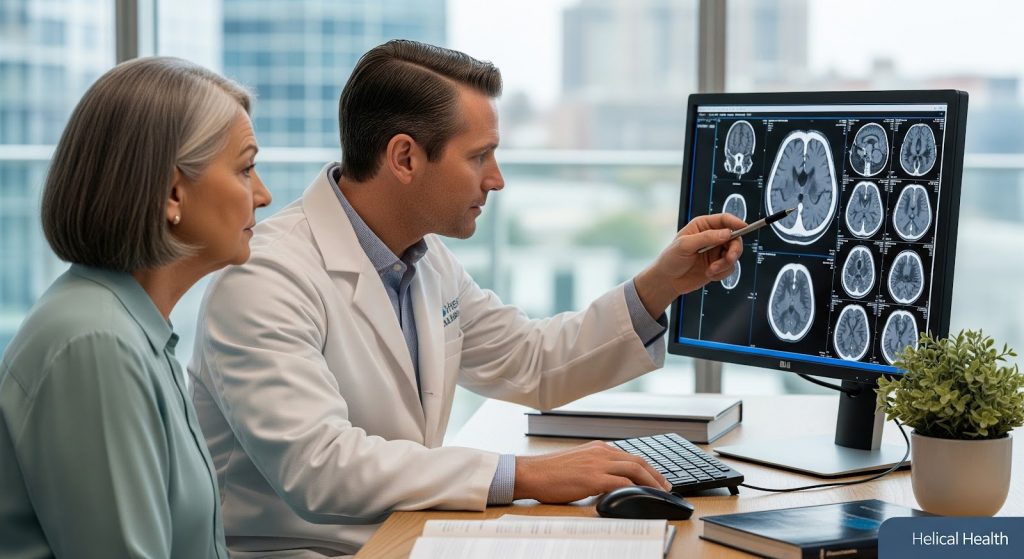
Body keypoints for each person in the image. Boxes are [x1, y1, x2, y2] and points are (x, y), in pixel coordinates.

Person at [189, 40, 743, 557]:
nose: (496, 180)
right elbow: (320, 468)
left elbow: (531, 360)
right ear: (404, 158)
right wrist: (521, 475)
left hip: (403, 535)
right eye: (479, 156)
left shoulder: (422, 260)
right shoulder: (265, 279)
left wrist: (662, 283)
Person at [0, 57, 272, 558]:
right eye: (246, 168)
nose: (263, 195)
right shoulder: (96, 344)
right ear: (173, 192)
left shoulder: (131, 327)